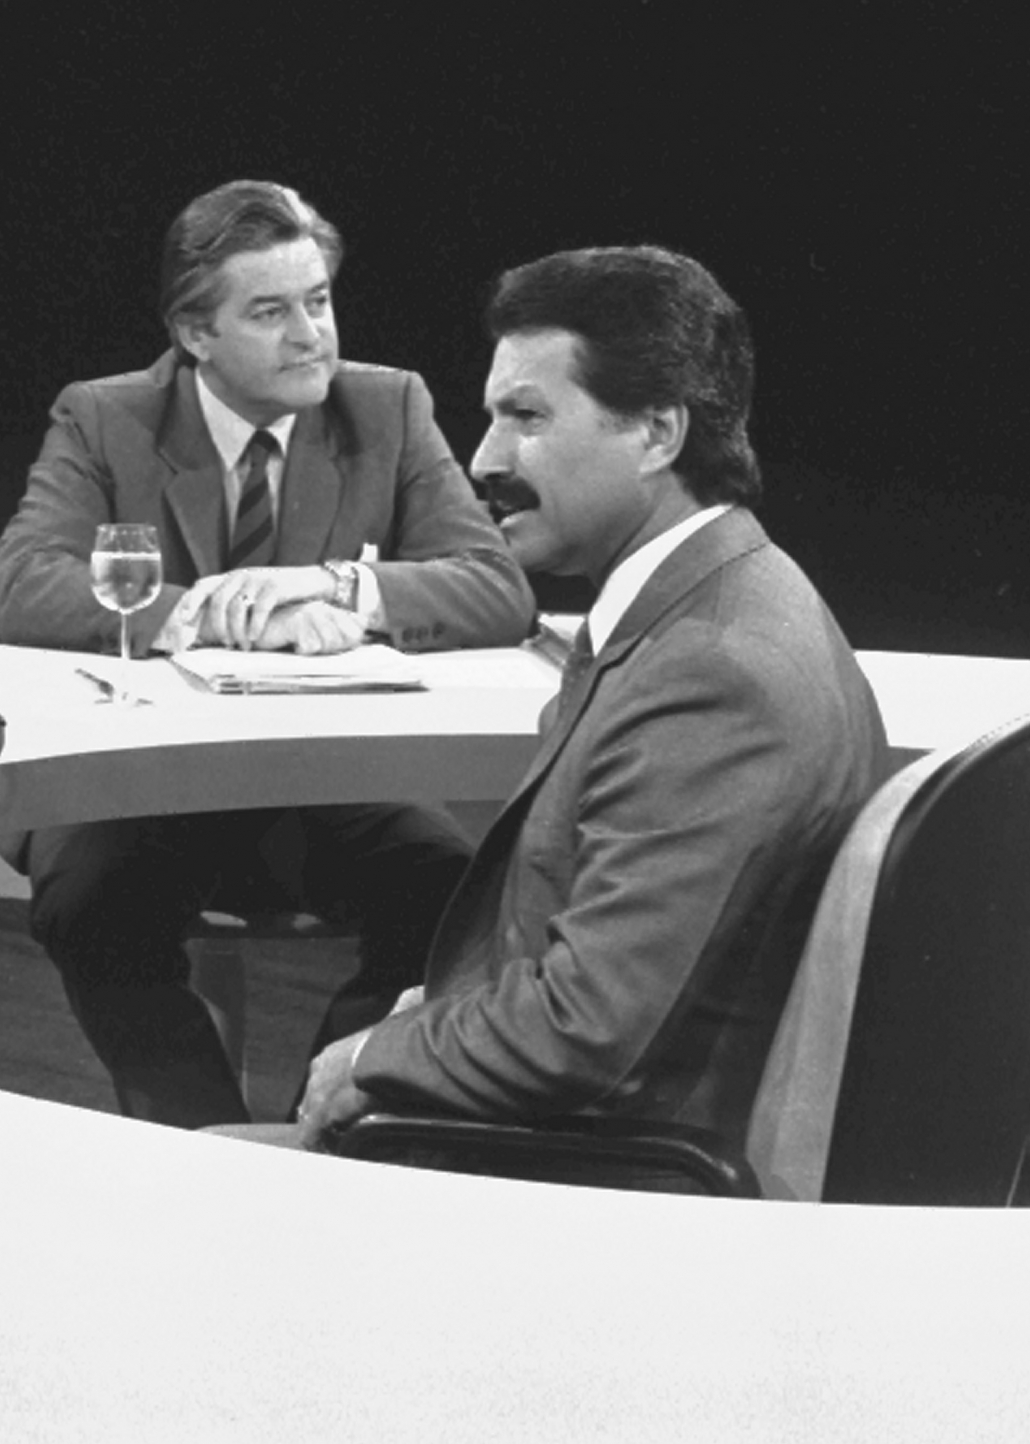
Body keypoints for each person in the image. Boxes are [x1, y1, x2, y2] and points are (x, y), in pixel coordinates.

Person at [279, 245, 888, 1154]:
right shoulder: (707, 603)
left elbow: (584, 1028)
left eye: (525, 416)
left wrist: (371, 1057)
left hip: (588, 1170)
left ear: (657, 434)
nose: (483, 458)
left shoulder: (712, 672)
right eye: (492, 417)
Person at [0, 180, 534, 1128]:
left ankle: (326, 1118)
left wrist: (334, 588)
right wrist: (212, 613)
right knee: (88, 905)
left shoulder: (387, 406)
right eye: (270, 312)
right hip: (149, 784)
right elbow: (27, 582)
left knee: (455, 897)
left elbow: (495, 586)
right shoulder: (106, 416)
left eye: (318, 301)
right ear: (194, 333)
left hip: (325, 784)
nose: (310, 335)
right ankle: (203, 1142)